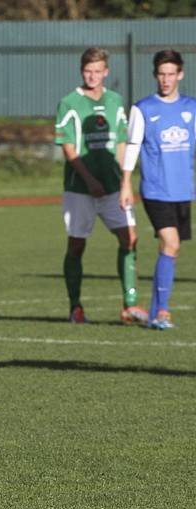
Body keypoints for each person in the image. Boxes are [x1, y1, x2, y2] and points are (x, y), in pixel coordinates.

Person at [54, 47, 148, 325]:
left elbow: (121, 142)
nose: (92, 76)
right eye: (88, 71)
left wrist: (125, 181)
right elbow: (69, 148)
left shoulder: (116, 101)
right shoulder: (69, 102)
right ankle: (75, 307)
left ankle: (129, 305)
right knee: (77, 246)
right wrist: (89, 179)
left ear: (106, 72)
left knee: (129, 238)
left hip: (113, 188)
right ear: (81, 71)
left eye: (98, 71)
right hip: (79, 190)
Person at [120, 49, 195, 330]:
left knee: (172, 250)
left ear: (180, 75)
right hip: (155, 189)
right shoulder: (143, 109)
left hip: (183, 191)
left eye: (170, 74)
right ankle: (162, 312)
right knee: (171, 243)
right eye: (161, 74)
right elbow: (133, 147)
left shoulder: (192, 108)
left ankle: (154, 313)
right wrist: (125, 183)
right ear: (155, 76)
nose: (165, 80)